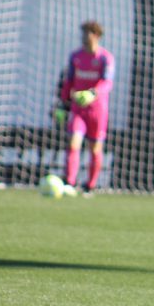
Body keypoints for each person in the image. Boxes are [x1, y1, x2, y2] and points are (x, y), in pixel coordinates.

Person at [54, 21, 115, 197]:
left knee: (95, 148)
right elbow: (69, 82)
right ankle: (70, 183)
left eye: (86, 33)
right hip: (78, 108)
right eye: (82, 33)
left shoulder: (105, 58)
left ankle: (90, 185)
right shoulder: (75, 57)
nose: (83, 37)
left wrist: (92, 93)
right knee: (74, 142)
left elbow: (107, 82)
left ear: (96, 35)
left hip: (97, 110)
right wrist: (62, 103)